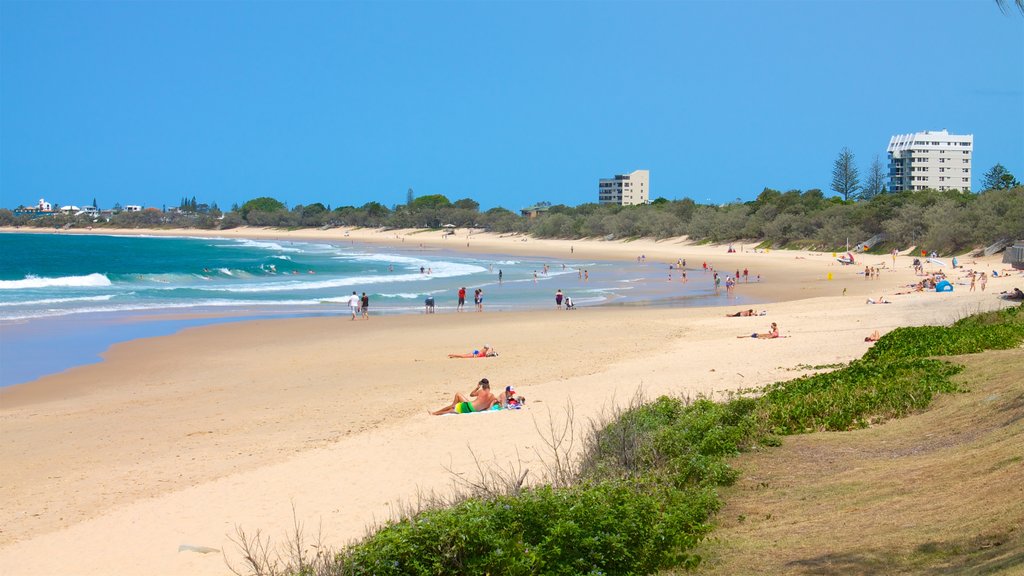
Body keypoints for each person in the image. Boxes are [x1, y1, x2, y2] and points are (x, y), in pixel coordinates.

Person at [430, 378, 499, 415]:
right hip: (474, 409)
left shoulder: (480, 391)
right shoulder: (492, 396)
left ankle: (434, 413)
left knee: (455, 400)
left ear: (482, 385)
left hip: (469, 406)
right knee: (452, 409)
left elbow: (471, 394)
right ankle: (435, 413)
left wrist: (477, 387)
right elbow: (497, 401)